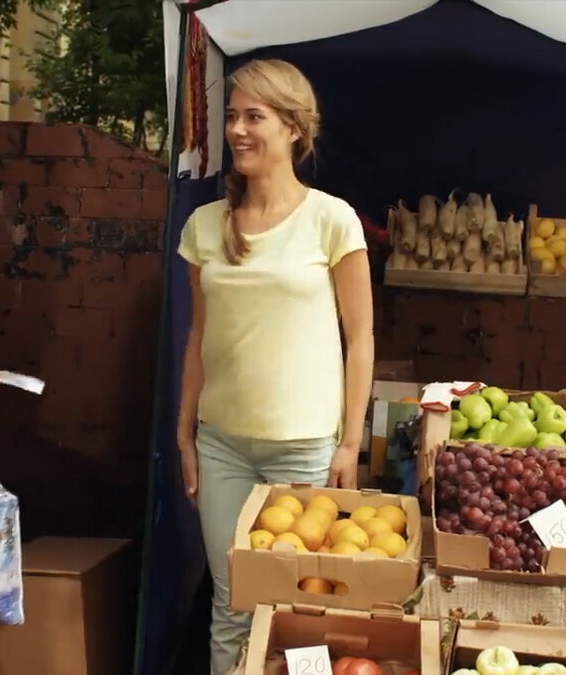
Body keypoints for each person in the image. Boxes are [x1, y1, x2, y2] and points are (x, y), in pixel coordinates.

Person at [175, 59, 374, 674]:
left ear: (294, 128)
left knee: (298, 609)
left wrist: (349, 443)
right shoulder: (204, 227)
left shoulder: (331, 220)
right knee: (233, 603)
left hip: (305, 451)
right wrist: (186, 434)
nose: (237, 129)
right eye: (232, 116)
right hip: (223, 448)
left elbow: (360, 335)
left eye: (253, 116)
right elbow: (199, 337)